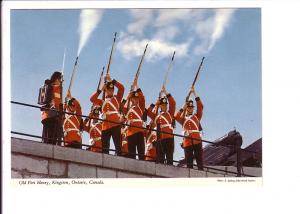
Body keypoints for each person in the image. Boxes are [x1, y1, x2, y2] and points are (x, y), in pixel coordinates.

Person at [90, 74, 124, 155]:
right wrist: (101, 89)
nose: (110, 91)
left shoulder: (117, 98)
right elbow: (92, 99)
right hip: (105, 126)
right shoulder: (102, 101)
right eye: (109, 89)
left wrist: (112, 80)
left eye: (112, 90)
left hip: (115, 124)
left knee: (118, 146)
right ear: (106, 90)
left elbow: (122, 88)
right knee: (105, 147)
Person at [174, 87, 204, 170]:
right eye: (188, 107)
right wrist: (184, 104)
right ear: (186, 108)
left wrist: (195, 93)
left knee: (199, 162)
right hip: (187, 142)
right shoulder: (183, 119)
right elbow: (176, 116)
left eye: (191, 108)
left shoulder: (197, 117)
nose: (190, 109)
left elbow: (200, 106)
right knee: (189, 164)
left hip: (197, 140)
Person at [147, 86, 176, 165]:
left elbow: (173, 103)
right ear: (160, 106)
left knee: (169, 158)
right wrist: (155, 104)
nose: (165, 106)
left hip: (169, 137)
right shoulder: (156, 116)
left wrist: (166, 92)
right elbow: (148, 112)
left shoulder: (170, 113)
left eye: (165, 105)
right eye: (163, 105)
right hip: (160, 138)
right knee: (160, 159)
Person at [122, 83, 145, 160]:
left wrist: (137, 86)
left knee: (141, 152)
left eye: (137, 98)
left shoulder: (141, 107)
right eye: (134, 98)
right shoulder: (127, 108)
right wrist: (127, 97)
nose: (136, 100)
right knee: (132, 154)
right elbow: (121, 106)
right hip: (130, 132)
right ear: (131, 99)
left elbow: (142, 98)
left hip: (139, 131)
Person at [41, 71, 63, 145]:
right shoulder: (56, 88)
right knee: (52, 139)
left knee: (46, 137)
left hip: (45, 116)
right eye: (61, 80)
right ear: (57, 79)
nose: (61, 81)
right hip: (53, 116)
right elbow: (57, 102)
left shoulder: (46, 87)